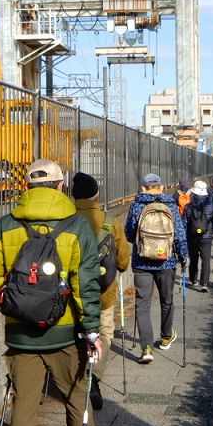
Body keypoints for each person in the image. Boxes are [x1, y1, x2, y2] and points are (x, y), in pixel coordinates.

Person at [0, 159, 103, 426]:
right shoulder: (77, 226)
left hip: (21, 335)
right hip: (66, 333)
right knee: (78, 397)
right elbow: (85, 285)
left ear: (27, 188)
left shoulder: (6, 225)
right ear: (62, 186)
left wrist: (14, 301)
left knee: (24, 410)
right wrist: (91, 330)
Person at [69, 171, 131, 410]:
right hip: (103, 292)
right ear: (97, 194)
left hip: (72, 294)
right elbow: (123, 261)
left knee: (74, 333)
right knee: (103, 333)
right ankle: (93, 377)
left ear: (73, 196)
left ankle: (74, 379)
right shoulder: (109, 221)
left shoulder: (66, 220)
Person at [124, 173, 187, 364]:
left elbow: (128, 235)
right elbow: (179, 236)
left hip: (142, 263)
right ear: (161, 187)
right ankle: (166, 336)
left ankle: (146, 348)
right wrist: (184, 258)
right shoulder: (171, 206)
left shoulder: (136, 206)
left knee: (142, 305)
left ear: (143, 188)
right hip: (166, 262)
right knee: (166, 300)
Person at [184, 179, 213, 292]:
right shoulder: (211, 205)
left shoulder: (188, 207)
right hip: (206, 236)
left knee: (193, 258)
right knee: (206, 259)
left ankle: (193, 279)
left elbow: (185, 222)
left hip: (192, 236)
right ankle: (204, 283)